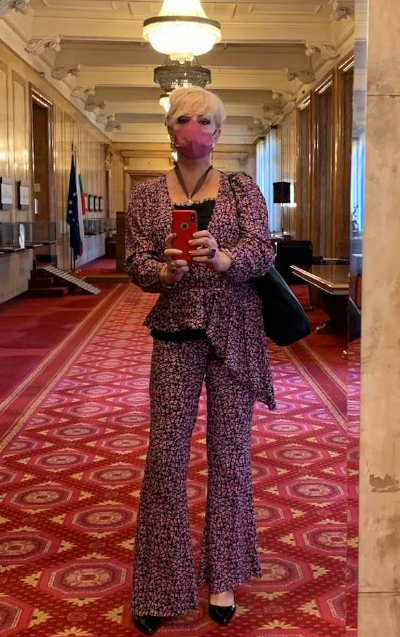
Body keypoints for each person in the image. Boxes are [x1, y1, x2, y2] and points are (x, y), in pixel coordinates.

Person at [124, 86, 276, 636]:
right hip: (174, 331)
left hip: (235, 332)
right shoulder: (146, 195)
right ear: (169, 129)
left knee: (230, 455)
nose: (195, 128)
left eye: (205, 120)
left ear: (219, 131)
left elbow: (263, 249)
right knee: (165, 456)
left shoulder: (241, 188)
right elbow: (133, 260)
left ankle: (224, 576)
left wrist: (225, 257)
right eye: (184, 118)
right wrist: (163, 272)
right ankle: (161, 585)